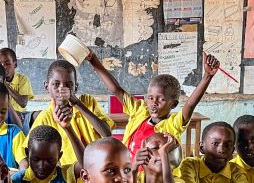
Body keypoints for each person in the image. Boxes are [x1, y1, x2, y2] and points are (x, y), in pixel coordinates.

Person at [87, 50, 220, 160]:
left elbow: (190, 104)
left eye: (161, 99)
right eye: (150, 98)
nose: (153, 103)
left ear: (173, 104)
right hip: (130, 174)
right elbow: (117, 90)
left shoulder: (173, 125)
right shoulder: (139, 111)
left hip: (154, 178)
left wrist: (207, 76)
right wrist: (93, 60)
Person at [29, 59, 113, 165]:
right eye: (56, 84)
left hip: (99, 166)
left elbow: (107, 134)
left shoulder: (87, 102)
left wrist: (78, 104)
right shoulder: (45, 118)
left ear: (75, 87)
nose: (62, 89)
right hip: (69, 173)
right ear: (47, 86)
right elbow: (31, 152)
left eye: (68, 85)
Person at [11, 115, 87, 183]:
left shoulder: (65, 176)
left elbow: (87, 164)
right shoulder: (16, 182)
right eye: (36, 159)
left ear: (59, 156)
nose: (42, 166)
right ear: (27, 153)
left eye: (49, 160)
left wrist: (68, 128)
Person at [179, 121, 254, 183]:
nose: (222, 150)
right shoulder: (190, 164)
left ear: (232, 150)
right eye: (215, 143)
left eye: (228, 145)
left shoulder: (235, 170)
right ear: (202, 147)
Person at [0, 48, 38, 134]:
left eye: (7, 64)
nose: (3, 67)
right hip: (2, 115)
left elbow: (23, 103)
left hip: (21, 116)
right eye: (0, 64)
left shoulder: (23, 80)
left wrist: (5, 85)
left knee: (36, 116)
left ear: (15, 64)